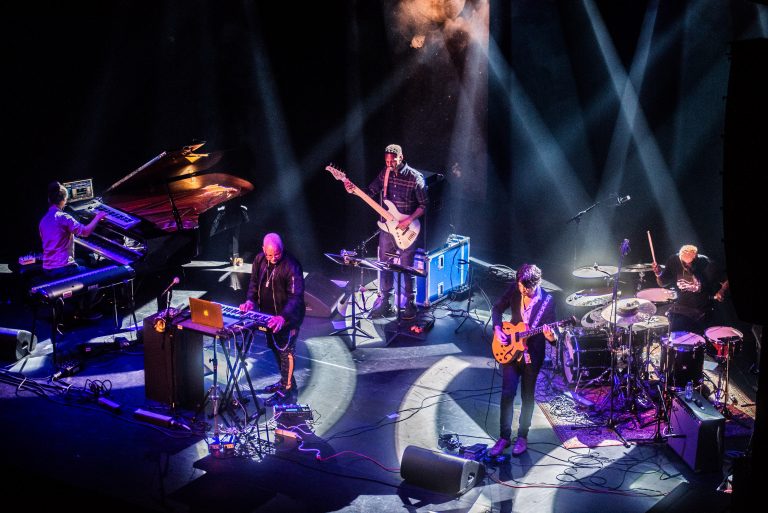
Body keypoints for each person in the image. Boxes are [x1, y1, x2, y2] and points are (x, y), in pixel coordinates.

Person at [344, 144, 427, 319]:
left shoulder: (414, 178)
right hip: (387, 228)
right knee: (384, 264)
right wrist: (354, 190)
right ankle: (386, 301)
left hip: (408, 229)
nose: (390, 163)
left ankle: (410, 303)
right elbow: (371, 191)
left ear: (401, 157)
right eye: (387, 160)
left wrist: (409, 219)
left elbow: (423, 205)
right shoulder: (385, 173)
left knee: (406, 267)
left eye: (393, 160)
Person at [489, 263, 558, 457]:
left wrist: (550, 336)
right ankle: (503, 437)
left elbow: (554, 338)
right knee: (507, 393)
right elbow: (496, 309)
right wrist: (497, 329)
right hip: (510, 349)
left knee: (527, 396)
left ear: (538, 283)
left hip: (532, 355)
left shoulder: (548, 301)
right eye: (521, 287)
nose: (523, 291)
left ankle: (522, 437)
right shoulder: (515, 288)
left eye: (528, 289)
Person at [240, 233, 306, 407]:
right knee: (275, 349)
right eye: (270, 255)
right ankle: (284, 381)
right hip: (268, 317)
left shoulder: (291, 265)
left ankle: (287, 390)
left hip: (288, 318)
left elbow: (296, 296)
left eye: (277, 254)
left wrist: (283, 317)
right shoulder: (259, 260)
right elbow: (253, 284)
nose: (273, 258)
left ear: (282, 249)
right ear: (263, 250)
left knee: (286, 352)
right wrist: (249, 301)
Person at [39, 181, 107, 320]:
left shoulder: (43, 220)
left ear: (48, 199)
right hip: (62, 270)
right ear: (64, 200)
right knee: (95, 278)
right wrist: (98, 217)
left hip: (47, 269)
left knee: (84, 261)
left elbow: (54, 240)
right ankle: (83, 312)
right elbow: (86, 232)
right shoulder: (64, 217)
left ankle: (77, 303)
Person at [651, 244, 729, 334]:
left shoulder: (708, 264)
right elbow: (662, 283)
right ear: (680, 258)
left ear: (696, 258)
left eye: (691, 263)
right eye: (685, 264)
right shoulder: (673, 260)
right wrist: (658, 274)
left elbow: (726, 281)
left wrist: (722, 291)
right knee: (670, 330)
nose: (688, 266)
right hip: (682, 307)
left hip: (701, 310)